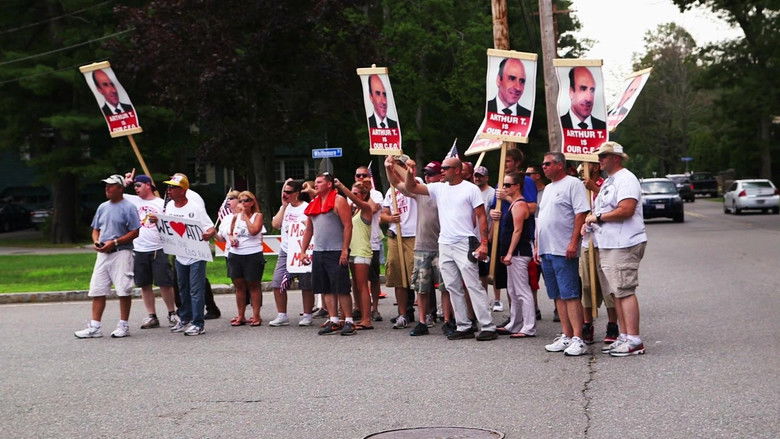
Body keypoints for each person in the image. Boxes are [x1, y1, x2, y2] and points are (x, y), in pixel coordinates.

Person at [404, 157, 497, 341]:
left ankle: (488, 325)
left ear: (457, 170)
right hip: (444, 242)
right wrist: (408, 171)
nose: (442, 171)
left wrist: (484, 242)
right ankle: (463, 325)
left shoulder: (470, 188)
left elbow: (481, 216)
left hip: (465, 241)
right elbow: (412, 188)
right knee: (452, 286)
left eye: (446, 168)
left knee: (472, 284)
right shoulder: (439, 188)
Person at [584, 142, 648, 357]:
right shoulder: (610, 181)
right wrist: (592, 220)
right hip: (610, 243)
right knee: (616, 292)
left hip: (624, 242)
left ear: (617, 158)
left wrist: (599, 217)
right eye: (599, 156)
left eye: (604, 156)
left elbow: (627, 209)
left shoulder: (626, 179)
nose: (599, 159)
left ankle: (634, 339)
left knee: (624, 290)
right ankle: (624, 335)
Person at [385, 157, 448, 336]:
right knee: (421, 286)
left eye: (432, 174)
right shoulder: (420, 191)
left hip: (442, 243)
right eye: (426, 174)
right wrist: (389, 167)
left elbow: (409, 179)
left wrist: (406, 168)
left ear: (441, 175)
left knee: (445, 286)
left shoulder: (445, 190)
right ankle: (421, 321)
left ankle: (448, 319)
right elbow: (397, 183)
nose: (428, 177)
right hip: (422, 245)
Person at [535, 152, 589, 356]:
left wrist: (574, 241)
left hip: (563, 248)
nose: (544, 167)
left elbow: (580, 213)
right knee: (557, 295)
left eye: (547, 163)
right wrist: (538, 247)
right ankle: (566, 335)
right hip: (547, 249)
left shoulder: (573, 184)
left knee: (570, 293)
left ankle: (578, 337)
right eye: (543, 163)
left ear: (559, 165)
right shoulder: (548, 188)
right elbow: (543, 220)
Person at [74, 174, 140, 339]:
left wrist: (115, 242)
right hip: (103, 254)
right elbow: (96, 229)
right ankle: (95, 327)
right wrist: (97, 241)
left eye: (111, 186)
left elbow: (135, 231)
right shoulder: (103, 207)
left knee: (123, 290)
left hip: (121, 253)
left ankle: (123, 325)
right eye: (106, 186)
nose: (107, 188)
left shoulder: (129, 207)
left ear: (120, 188)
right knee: (97, 289)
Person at [300, 173, 355, 336]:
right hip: (319, 251)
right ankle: (334, 320)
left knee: (342, 288)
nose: (316, 185)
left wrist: (345, 249)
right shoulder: (314, 203)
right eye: (315, 182)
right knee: (326, 288)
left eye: (319, 182)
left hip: (336, 250)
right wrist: (303, 251)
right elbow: (309, 229)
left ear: (329, 184)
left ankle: (349, 321)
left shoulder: (339, 200)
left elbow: (348, 226)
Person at [162, 173, 216, 336]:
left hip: (196, 255)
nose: (169, 190)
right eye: (169, 187)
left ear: (183, 190)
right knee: (183, 289)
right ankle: (184, 318)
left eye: (173, 187)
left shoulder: (195, 207)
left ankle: (198, 323)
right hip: (180, 254)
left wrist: (208, 234)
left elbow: (211, 227)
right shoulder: (170, 206)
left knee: (195, 289)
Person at [123, 174, 178, 329]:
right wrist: (125, 182)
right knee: (144, 284)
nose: (136, 189)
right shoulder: (133, 200)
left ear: (148, 185)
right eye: (134, 186)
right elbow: (115, 193)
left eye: (138, 185)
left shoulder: (162, 203)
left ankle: (172, 313)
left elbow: (172, 225)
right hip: (139, 248)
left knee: (164, 282)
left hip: (158, 248)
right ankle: (152, 316)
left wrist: (159, 220)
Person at [578, 162, 619, 344]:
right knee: (586, 285)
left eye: (586, 165)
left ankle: (613, 324)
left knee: (608, 286)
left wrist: (593, 187)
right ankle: (587, 324)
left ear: (595, 166)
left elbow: (610, 206)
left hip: (604, 242)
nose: (582, 168)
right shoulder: (579, 187)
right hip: (587, 242)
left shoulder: (607, 184)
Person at [270, 179, 316, 326]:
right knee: (277, 283)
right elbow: (276, 224)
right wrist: (283, 206)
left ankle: (307, 315)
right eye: (284, 192)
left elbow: (312, 227)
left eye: (288, 192)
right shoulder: (286, 207)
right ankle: (282, 315)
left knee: (306, 284)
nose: (285, 194)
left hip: (302, 250)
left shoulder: (306, 207)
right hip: (286, 251)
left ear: (297, 193)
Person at [216, 191, 265, 327]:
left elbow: (254, 230)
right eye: (241, 201)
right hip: (236, 254)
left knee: (253, 285)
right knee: (239, 286)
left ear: (252, 202)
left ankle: (256, 315)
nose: (243, 203)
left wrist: (245, 217)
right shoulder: (234, 217)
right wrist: (232, 239)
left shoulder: (257, 215)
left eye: (247, 200)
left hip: (253, 254)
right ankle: (241, 315)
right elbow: (230, 233)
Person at [496, 172, 536, 337]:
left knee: (522, 290)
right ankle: (515, 322)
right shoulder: (516, 203)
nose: (504, 188)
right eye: (504, 185)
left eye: (507, 185)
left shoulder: (520, 205)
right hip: (514, 253)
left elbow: (518, 230)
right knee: (513, 290)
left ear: (517, 186)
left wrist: (510, 253)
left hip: (519, 252)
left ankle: (529, 326)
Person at [334, 178, 377, 331]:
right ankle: (360, 313)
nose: (352, 196)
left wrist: (341, 187)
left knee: (362, 285)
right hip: (352, 250)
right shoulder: (354, 211)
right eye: (352, 193)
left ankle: (367, 319)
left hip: (362, 251)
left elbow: (354, 200)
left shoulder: (366, 208)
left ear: (364, 196)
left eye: (356, 193)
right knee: (356, 286)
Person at [380, 160, 417, 329]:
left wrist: (406, 168)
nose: (394, 170)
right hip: (396, 236)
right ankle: (403, 314)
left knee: (416, 276)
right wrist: (390, 218)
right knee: (397, 276)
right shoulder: (390, 191)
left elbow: (411, 182)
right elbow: (383, 215)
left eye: (398, 167)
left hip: (413, 235)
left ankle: (426, 313)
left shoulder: (416, 183)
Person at [354, 166, 385, 320]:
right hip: (355, 241)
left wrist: (368, 190)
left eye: (364, 175)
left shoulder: (376, 194)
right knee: (356, 279)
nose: (360, 178)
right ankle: (357, 307)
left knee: (373, 278)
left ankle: (375, 308)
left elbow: (372, 209)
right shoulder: (352, 193)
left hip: (372, 241)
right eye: (358, 175)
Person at [473, 165, 501, 311]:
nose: (477, 178)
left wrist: (490, 235)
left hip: (487, 237)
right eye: (475, 175)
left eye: (480, 176)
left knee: (487, 271)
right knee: (476, 271)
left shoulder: (492, 193)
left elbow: (495, 216)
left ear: (487, 177)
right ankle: (479, 300)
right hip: (473, 237)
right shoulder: (471, 191)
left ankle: (495, 299)